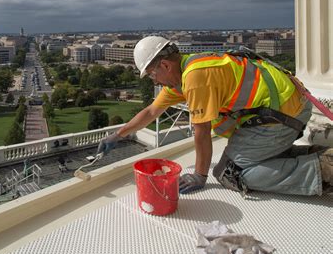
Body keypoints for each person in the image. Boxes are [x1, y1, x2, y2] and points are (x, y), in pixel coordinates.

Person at [97, 36, 332, 196]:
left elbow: (201, 133)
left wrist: (200, 176)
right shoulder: (185, 74)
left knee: (231, 173)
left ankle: (324, 171)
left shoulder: (196, 78)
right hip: (280, 110)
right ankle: (320, 156)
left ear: (166, 66)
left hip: (282, 115)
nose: (154, 80)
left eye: (151, 74)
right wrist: (118, 135)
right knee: (238, 163)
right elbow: (151, 111)